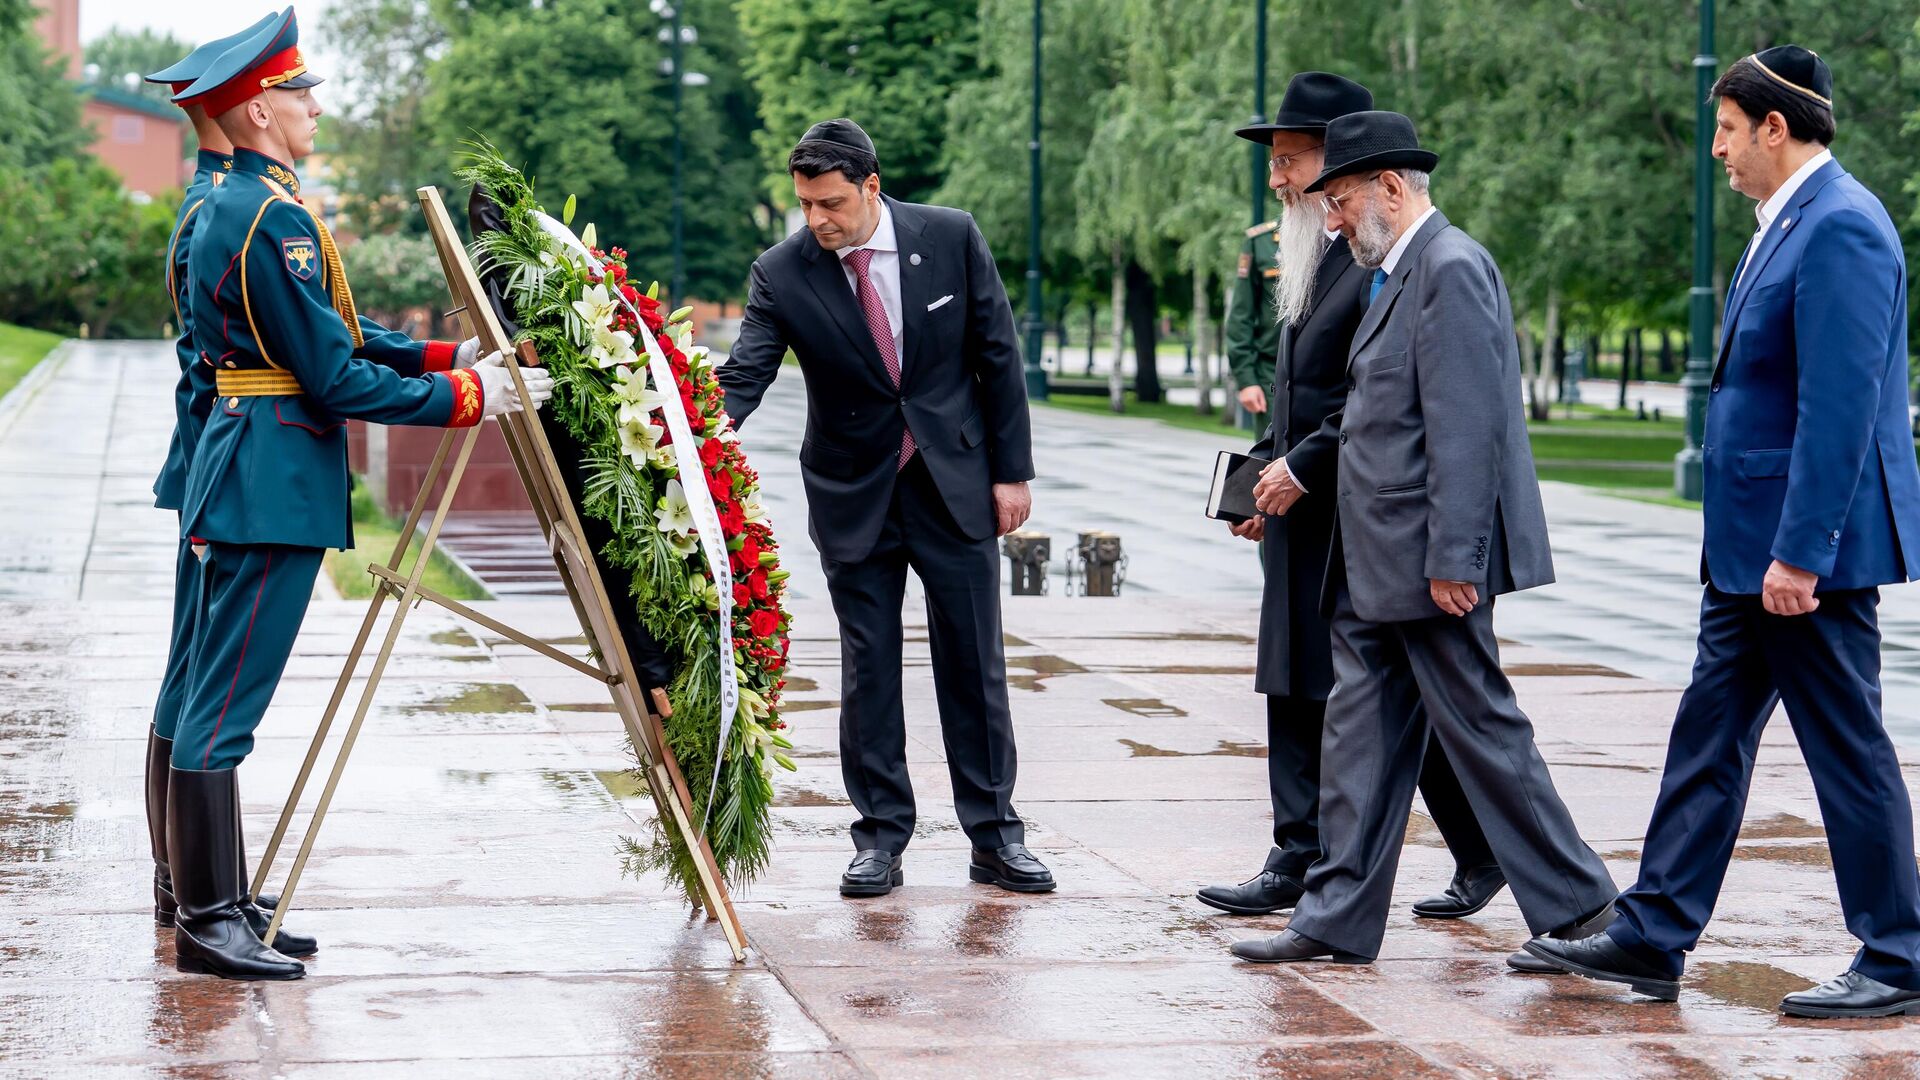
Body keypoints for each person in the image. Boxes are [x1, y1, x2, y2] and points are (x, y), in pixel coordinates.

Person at [1526, 47, 1920, 1020]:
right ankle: (1653, 935)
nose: (1717, 151)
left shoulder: (1840, 227)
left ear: (1775, 128)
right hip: (1753, 553)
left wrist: (1802, 554)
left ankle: (1900, 955)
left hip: (1798, 557)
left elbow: (1840, 409)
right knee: (1708, 738)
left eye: (1729, 132)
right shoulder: (1787, 222)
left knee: (1847, 749)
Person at [166, 6, 549, 981]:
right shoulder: (269, 218)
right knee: (225, 705)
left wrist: (449, 355)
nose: (314, 106)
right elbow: (333, 377)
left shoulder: (243, 207)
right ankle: (207, 919)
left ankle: (221, 901)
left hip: (253, 467)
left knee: (216, 696)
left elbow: (338, 333)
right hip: (268, 480)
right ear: (258, 110)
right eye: (299, 91)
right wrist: (470, 397)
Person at [1229, 111, 1616, 966]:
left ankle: (1584, 908)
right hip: (1375, 557)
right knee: (1359, 739)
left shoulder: (1449, 266)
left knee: (1482, 728)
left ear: (1390, 189)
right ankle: (1334, 917)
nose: (1330, 219)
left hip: (1425, 560)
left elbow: (1468, 426)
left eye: (1339, 200)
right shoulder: (1399, 273)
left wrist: (1454, 559)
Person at [1202, 73, 1529, 966]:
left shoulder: (1406, 261)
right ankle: (1322, 878)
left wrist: (1305, 470)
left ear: (1357, 169)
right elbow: (1299, 379)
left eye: (1298, 164)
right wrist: (1262, 472)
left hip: (1371, 511)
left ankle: (1553, 889)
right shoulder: (1316, 251)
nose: (1288, 183)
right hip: (1320, 503)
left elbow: (1426, 410)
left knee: (1412, 706)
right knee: (1332, 692)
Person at [719, 118, 1050, 898]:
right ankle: (879, 841)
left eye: (830, 202)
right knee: (869, 668)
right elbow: (745, 375)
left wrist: (1012, 473)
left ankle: (996, 837)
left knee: (973, 664)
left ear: (872, 186)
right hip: (851, 491)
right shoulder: (781, 271)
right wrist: (686, 438)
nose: (817, 220)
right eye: (804, 204)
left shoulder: (951, 236)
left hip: (955, 483)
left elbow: (996, 354)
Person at [1224, 218, 1281, 432]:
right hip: (1271, 373)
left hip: (1329, 373)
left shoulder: (1339, 234)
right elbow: (1241, 316)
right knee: (1272, 454)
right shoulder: (1261, 241)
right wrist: (1247, 380)